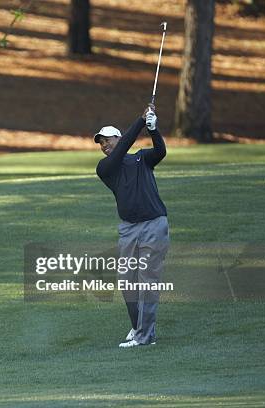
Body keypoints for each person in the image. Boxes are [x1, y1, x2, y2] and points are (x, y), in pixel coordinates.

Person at [94, 105, 170, 348]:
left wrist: (153, 128)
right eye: (101, 142)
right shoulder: (105, 168)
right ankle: (139, 327)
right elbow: (122, 149)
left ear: (118, 137)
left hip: (154, 225)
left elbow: (160, 151)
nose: (104, 145)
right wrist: (140, 120)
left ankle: (145, 337)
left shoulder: (141, 158)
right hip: (128, 229)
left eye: (108, 139)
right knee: (127, 281)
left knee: (147, 281)